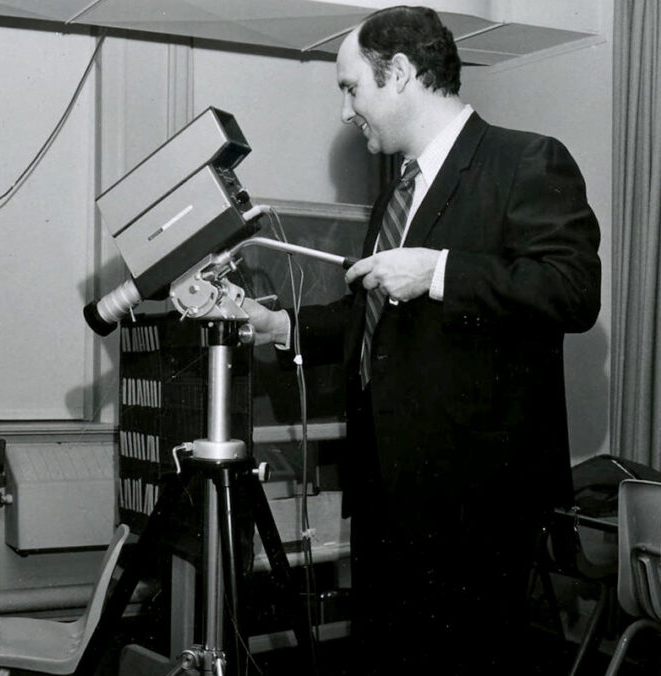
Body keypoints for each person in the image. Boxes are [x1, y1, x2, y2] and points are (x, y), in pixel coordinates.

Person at [243, 6, 601, 675]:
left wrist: (437, 271)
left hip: (476, 496)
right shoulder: (396, 195)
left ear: (400, 73)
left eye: (352, 88)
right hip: (385, 487)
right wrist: (281, 324)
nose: (348, 111)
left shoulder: (526, 160)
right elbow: (369, 318)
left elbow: (573, 291)